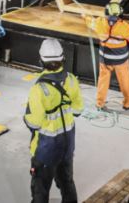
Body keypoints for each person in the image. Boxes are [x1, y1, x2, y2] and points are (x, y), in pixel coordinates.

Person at [24, 38, 84, 203]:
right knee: (67, 183)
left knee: (41, 189)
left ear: (41, 60)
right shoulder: (72, 79)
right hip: (67, 145)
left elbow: (33, 123)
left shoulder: (38, 89)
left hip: (46, 148)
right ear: (62, 58)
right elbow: (78, 110)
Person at [86, 2, 129, 111]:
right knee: (125, 81)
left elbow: (90, 23)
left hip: (105, 59)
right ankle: (128, 104)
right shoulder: (124, 26)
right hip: (121, 60)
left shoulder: (100, 22)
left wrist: (85, 16)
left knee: (103, 81)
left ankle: (100, 103)